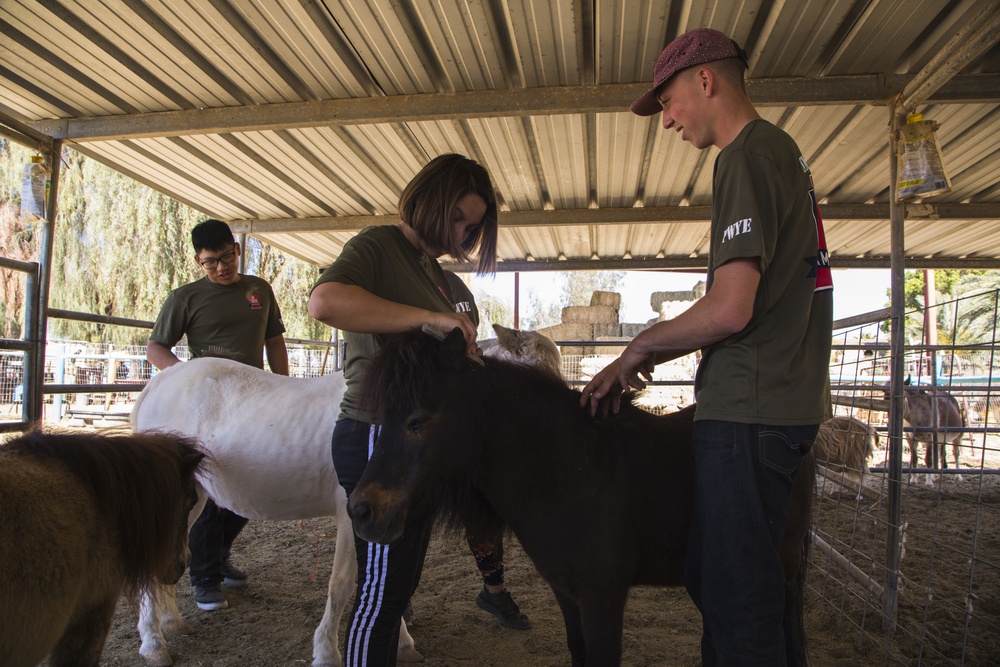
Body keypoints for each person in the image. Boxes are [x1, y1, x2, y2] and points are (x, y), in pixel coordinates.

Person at [580, 28, 833, 666]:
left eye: (667, 101)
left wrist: (637, 350)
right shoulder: (786, 155)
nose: (666, 121)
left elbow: (730, 305)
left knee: (739, 607)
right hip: (779, 406)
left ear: (706, 80)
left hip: (750, 412)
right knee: (719, 580)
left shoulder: (744, 155)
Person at [308, 153, 527, 667]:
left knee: (396, 591)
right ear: (427, 198)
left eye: (472, 228)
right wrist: (430, 317)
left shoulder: (443, 279)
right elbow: (324, 302)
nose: (462, 235)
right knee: (381, 597)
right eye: (457, 218)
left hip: (418, 440)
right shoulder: (378, 246)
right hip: (377, 434)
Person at [147, 218, 289, 611]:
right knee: (210, 489)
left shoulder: (259, 289)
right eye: (211, 262)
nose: (221, 268)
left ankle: (220, 554)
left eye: (226, 257)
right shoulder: (184, 297)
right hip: (211, 407)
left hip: (257, 400)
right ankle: (204, 577)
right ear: (198, 261)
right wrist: (185, 377)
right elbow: (155, 347)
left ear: (237, 250)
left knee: (251, 481)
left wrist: (286, 386)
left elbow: (273, 339)